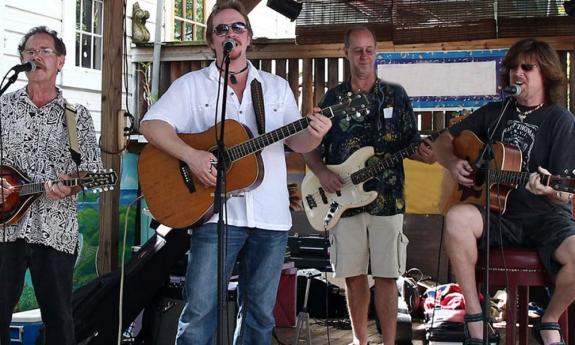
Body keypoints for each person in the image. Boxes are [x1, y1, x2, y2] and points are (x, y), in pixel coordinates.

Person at [138, 2, 332, 344]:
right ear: (211, 41)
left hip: (270, 218)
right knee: (199, 313)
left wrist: (315, 133)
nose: (231, 34)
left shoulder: (274, 87)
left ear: (249, 37)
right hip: (214, 217)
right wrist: (193, 156)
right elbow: (151, 125)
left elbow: (296, 141)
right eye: (222, 29)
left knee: (259, 315)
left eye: (238, 27)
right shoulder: (192, 86)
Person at [431, 38, 575, 345]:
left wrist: (548, 189)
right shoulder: (496, 113)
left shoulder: (560, 120)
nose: (517, 73)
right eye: (512, 67)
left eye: (526, 67)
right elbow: (444, 140)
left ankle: (549, 320)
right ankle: (475, 316)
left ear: (546, 74)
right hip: (499, 214)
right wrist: (453, 163)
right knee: (456, 217)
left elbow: (564, 192)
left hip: (546, 217)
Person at [302, 26, 435, 345]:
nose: (364, 56)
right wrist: (321, 174)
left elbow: (412, 143)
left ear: (377, 52)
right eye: (357, 50)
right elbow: (309, 146)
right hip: (341, 199)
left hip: (388, 199)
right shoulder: (332, 98)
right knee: (353, 276)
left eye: (369, 49)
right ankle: (360, 341)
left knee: (389, 276)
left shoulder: (396, 95)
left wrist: (427, 154)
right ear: (345, 53)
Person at [0, 26, 103, 345]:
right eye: (30, 52)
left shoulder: (77, 116)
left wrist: (69, 187)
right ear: (21, 60)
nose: (36, 57)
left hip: (55, 232)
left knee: (59, 319)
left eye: (45, 51)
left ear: (60, 61)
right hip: (5, 229)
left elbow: (91, 172)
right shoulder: (3, 108)